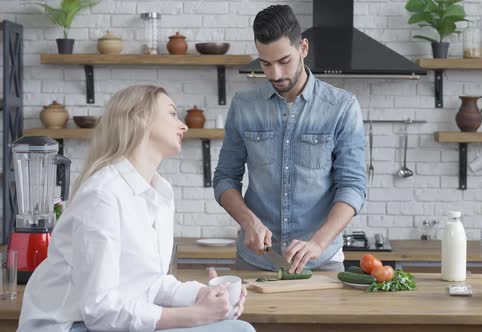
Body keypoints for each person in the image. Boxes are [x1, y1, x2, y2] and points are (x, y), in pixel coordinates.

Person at [18, 85, 255, 332]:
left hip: (104, 322)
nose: (184, 126)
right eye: (173, 114)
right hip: (69, 326)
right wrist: (197, 315)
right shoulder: (103, 195)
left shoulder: (160, 193)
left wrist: (205, 295)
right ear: (141, 119)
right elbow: (100, 311)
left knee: (232, 326)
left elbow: (150, 284)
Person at [213, 5, 366, 274]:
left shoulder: (342, 107)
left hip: (321, 262)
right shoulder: (244, 106)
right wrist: (248, 221)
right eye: (265, 63)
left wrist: (318, 243)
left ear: (303, 48)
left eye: (284, 61)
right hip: (256, 260)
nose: (275, 74)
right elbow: (225, 177)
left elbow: (353, 186)